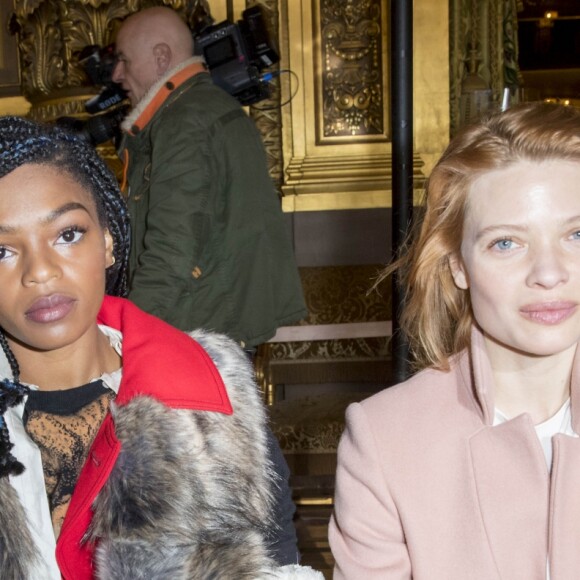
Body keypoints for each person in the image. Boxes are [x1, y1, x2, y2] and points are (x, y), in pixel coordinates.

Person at [0, 116, 322, 579]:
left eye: (68, 234)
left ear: (108, 242)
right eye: (3, 251)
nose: (40, 272)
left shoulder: (211, 399)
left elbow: (275, 562)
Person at [329, 102, 580, 579]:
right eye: (506, 243)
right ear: (458, 266)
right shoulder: (385, 440)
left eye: (577, 234)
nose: (549, 274)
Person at [111, 6, 307, 350]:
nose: (116, 74)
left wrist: (128, 338)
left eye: (124, 60)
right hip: (215, 324)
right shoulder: (206, 107)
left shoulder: (184, 121)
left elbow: (170, 250)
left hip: (194, 332)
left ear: (160, 57)